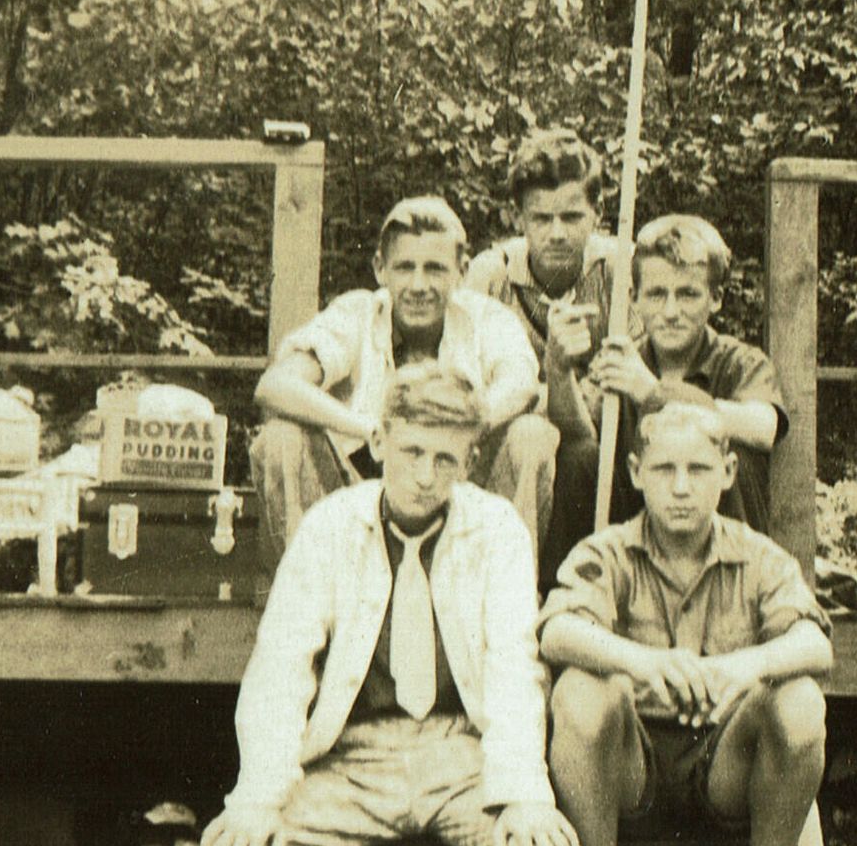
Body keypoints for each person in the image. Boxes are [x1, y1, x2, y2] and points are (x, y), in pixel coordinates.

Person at [203, 361, 582, 846]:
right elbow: (282, 663)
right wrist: (257, 797)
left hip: (459, 751)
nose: (425, 474)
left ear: (470, 458)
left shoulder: (495, 530)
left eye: (446, 458)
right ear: (378, 441)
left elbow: (515, 667)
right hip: (354, 755)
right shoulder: (331, 527)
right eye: (410, 452)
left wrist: (523, 795)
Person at [539, 401, 831, 846]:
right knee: (580, 692)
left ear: (727, 472)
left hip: (726, 766)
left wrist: (739, 668)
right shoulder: (606, 552)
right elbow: (557, 631)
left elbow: (815, 644)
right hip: (630, 768)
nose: (680, 488)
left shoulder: (760, 556)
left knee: (800, 700)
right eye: (664, 469)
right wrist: (644, 663)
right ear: (635, 473)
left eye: (698, 470)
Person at [251, 195, 556, 571]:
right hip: (360, 491)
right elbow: (276, 384)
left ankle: (506, 595)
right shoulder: (357, 312)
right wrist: (371, 429)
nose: (418, 285)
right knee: (280, 437)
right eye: (405, 268)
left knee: (532, 435)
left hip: (458, 488)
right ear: (381, 269)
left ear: (462, 271)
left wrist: (452, 432)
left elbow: (521, 384)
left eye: (435, 269)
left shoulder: (487, 318)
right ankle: (309, 593)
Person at [463, 127, 631, 578]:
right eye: (541, 218)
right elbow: (470, 397)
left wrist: (552, 379)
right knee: (529, 436)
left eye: (572, 217)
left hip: (598, 467)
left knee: (582, 456)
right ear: (519, 218)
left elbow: (596, 423)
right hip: (507, 459)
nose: (557, 234)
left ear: (598, 214)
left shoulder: (620, 274)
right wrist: (551, 391)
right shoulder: (489, 278)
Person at [565, 213, 787, 532]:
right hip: (635, 535)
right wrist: (559, 371)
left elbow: (763, 428)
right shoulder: (623, 361)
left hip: (719, 541)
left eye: (687, 294)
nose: (670, 312)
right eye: (657, 294)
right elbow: (577, 430)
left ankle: (730, 564)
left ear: (715, 299)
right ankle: (579, 566)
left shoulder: (740, 362)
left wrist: (653, 393)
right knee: (579, 458)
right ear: (634, 299)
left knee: (730, 453)